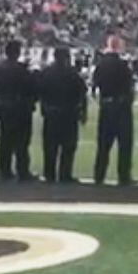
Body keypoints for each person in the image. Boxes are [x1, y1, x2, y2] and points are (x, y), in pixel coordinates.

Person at [91, 36, 135, 186]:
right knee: (124, 144)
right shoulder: (123, 66)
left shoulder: (100, 65)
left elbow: (94, 87)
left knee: (103, 144)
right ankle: (123, 176)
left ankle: (99, 175)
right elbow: (130, 88)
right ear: (117, 47)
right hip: (121, 107)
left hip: (106, 106)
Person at [38, 46, 86, 184]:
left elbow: (40, 92)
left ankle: (49, 173)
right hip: (69, 114)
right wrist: (82, 113)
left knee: (49, 146)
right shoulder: (73, 74)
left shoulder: (46, 72)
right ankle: (65, 174)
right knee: (68, 147)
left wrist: (44, 108)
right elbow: (82, 95)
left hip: (51, 113)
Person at [0, 39, 36, 182]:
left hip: (4, 106)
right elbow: (30, 88)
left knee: (5, 139)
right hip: (20, 108)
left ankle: (4, 170)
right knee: (21, 142)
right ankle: (22, 171)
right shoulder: (21, 69)